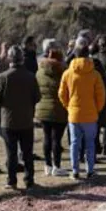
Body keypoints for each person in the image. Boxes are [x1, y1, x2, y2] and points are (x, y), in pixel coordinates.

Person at [0, 45, 40, 191]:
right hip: (26, 120)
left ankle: (11, 181)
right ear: (22, 59)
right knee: (27, 153)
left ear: (10, 59)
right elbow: (37, 97)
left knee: (11, 153)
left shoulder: (3, 77)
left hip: (9, 120)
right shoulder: (31, 76)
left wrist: (6, 104)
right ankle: (29, 180)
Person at [58, 40, 106, 180]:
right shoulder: (95, 74)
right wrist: (97, 109)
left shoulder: (67, 73)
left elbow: (61, 93)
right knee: (90, 143)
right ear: (88, 55)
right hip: (91, 114)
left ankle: (75, 170)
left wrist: (68, 106)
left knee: (74, 144)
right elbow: (101, 94)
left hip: (74, 114)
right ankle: (90, 170)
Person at [35, 41, 68, 177]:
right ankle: (57, 166)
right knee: (56, 139)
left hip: (42, 109)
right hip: (59, 109)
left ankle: (47, 166)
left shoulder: (39, 72)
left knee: (47, 137)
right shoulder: (63, 73)